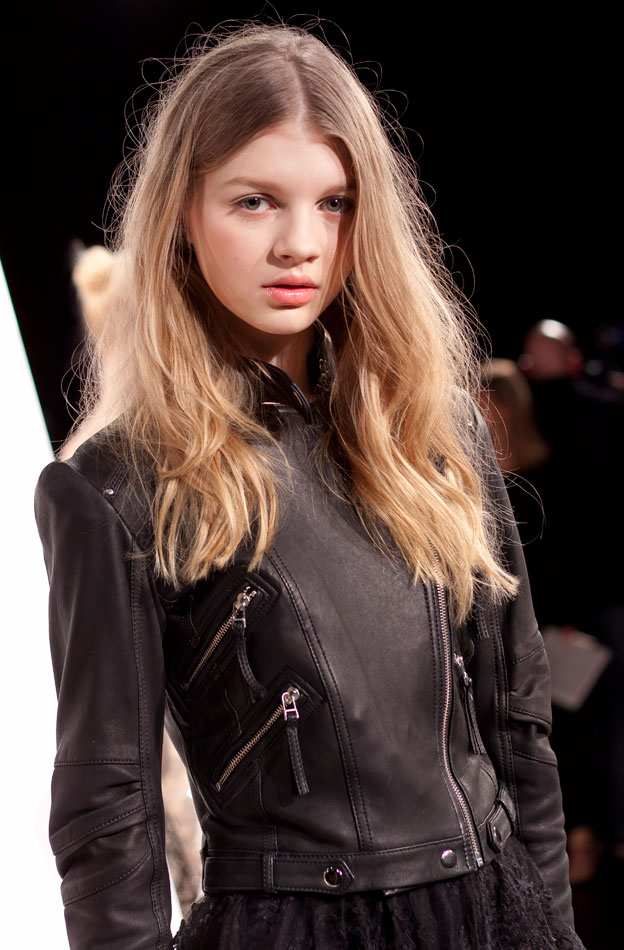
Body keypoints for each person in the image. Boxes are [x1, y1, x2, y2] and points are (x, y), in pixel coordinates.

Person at [34, 23, 584, 950]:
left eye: (334, 203)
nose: (300, 243)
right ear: (181, 213)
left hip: (493, 915)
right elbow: (107, 813)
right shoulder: (120, 485)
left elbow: (519, 733)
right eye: (254, 201)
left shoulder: (439, 432)